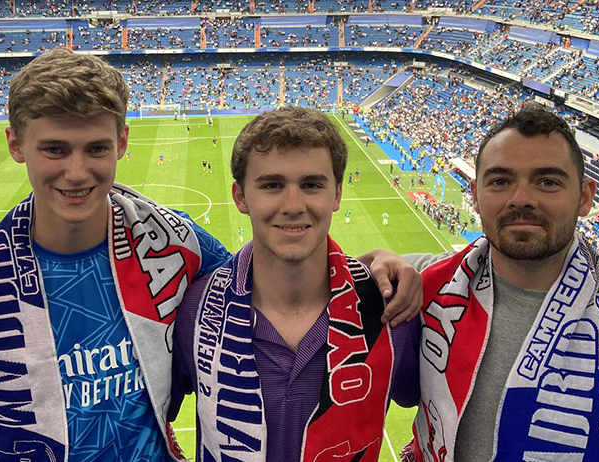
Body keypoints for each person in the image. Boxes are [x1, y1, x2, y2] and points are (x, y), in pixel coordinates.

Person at [0, 49, 232, 462]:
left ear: (122, 142)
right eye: (54, 149)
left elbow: (260, 296)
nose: (77, 173)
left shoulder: (177, 246)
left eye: (96, 149)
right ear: (16, 145)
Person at [370, 104, 599, 462]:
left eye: (547, 182)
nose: (521, 199)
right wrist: (373, 261)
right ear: (475, 195)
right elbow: (331, 281)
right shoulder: (418, 284)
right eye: (500, 181)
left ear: (584, 197)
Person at [171, 107, 423, 462]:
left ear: (337, 194)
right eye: (272, 185)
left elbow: (436, 414)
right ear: (240, 196)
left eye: (311, 185)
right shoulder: (194, 311)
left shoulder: (391, 310)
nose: (293, 205)